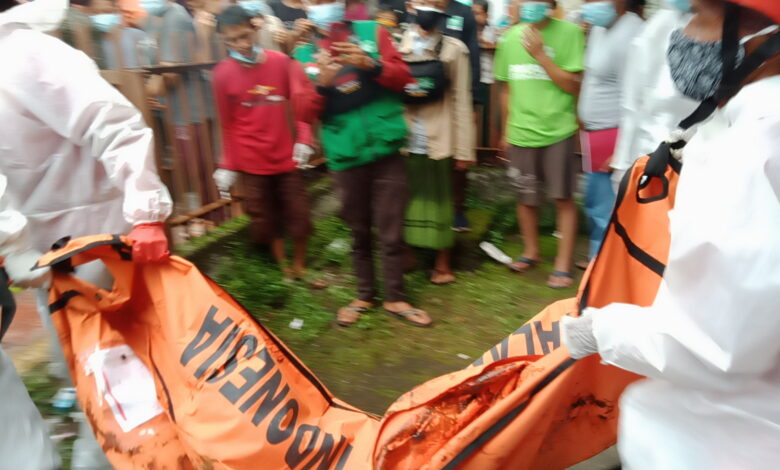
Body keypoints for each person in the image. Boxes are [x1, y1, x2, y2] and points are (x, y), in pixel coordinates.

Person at [562, 0, 780, 467]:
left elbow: (716, 347)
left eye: (698, 15)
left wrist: (599, 329)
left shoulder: (754, 145)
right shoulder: (750, 123)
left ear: (763, 36)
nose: (683, 33)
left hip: (724, 443)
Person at [1, 0, 172, 467]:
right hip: (52, 263)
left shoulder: (27, 55)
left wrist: (146, 214)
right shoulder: (26, 55)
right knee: (97, 386)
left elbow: (115, 128)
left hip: (94, 251)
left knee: (115, 387)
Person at [292, 0, 432, 327]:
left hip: (386, 149)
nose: (323, 6)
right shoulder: (302, 56)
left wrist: (372, 64)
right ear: (306, 6)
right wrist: (322, 86)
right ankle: (365, 294)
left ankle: (396, 298)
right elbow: (303, 112)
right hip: (345, 155)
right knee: (358, 229)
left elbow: (403, 79)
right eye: (316, 2)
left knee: (392, 228)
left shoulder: (374, 32)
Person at [211, 5, 324, 286]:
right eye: (233, 40)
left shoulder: (280, 62)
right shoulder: (222, 74)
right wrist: (227, 165)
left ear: (256, 28)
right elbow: (228, 124)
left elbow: (302, 102)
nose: (241, 44)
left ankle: (300, 262)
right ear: (224, 41)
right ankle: (283, 266)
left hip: (286, 157)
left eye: (245, 36)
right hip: (251, 161)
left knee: (298, 212)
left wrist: (304, 139)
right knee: (264, 217)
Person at [494, 0, 585, 288]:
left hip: (558, 130)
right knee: (525, 196)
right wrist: (506, 130)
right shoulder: (508, 38)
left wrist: (541, 56)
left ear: (550, 4)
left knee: (563, 198)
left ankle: (562, 265)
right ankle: (531, 251)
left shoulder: (570, 33)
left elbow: (573, 85)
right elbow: (506, 89)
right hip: (521, 132)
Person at [399, 0, 475, 285]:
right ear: (410, 6)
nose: (427, 8)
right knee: (405, 198)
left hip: (439, 138)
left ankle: (442, 264)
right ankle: (407, 255)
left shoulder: (455, 49)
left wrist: (464, 149)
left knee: (442, 201)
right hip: (404, 138)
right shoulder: (395, 45)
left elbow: (462, 100)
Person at [577, 0, 644, 261]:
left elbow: (636, 97)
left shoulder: (634, 32)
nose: (590, 5)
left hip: (614, 135)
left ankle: (604, 278)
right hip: (595, 133)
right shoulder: (599, 28)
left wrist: (621, 149)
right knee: (595, 206)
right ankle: (598, 267)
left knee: (607, 212)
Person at [609, 0, 698, 193]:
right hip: (653, 149)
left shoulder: (733, 29)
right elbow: (632, 102)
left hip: (703, 154)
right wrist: (623, 161)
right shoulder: (656, 29)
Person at [438, 0, 480, 232]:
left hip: (457, 93)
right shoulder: (414, 9)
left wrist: (475, 100)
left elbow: (473, 58)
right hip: (426, 94)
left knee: (459, 155)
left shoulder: (463, 13)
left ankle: (458, 209)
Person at [473, 0, 496, 147]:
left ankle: (486, 149)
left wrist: (480, 40)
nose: (473, 16)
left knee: (486, 116)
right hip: (471, 77)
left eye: (477, 13)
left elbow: (494, 46)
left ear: (486, 15)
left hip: (486, 78)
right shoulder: (467, 29)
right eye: (472, 13)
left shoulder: (491, 30)